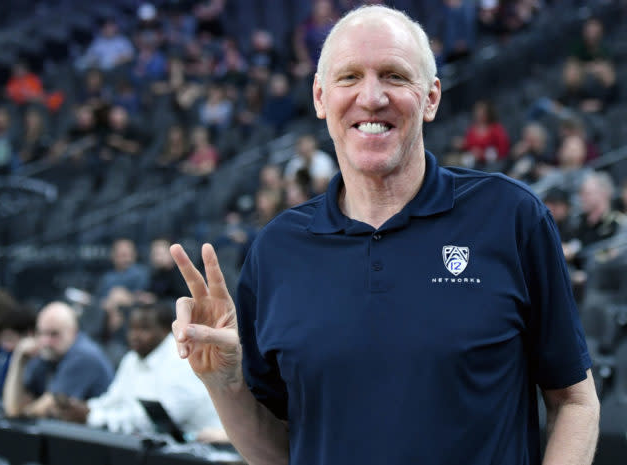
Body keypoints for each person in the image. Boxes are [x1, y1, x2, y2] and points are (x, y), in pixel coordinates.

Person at [168, 6, 599, 465]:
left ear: (431, 97)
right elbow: (281, 454)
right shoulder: (276, 251)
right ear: (320, 97)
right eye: (349, 77)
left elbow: (574, 400)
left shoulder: (510, 217)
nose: (371, 98)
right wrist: (225, 387)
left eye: (394, 76)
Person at [52, 303, 226, 441]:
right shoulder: (131, 359)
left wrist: (92, 417)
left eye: (144, 329)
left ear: (166, 330)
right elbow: (114, 399)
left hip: (207, 448)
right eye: (131, 329)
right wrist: (85, 407)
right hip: (165, 448)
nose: (134, 335)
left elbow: (157, 422)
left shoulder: (182, 359)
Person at [2, 302, 113, 418]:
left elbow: (28, 413)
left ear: (73, 333)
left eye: (54, 334)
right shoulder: (47, 355)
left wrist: (17, 412)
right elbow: (14, 407)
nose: (46, 341)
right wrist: (18, 360)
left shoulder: (84, 356)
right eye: (41, 333)